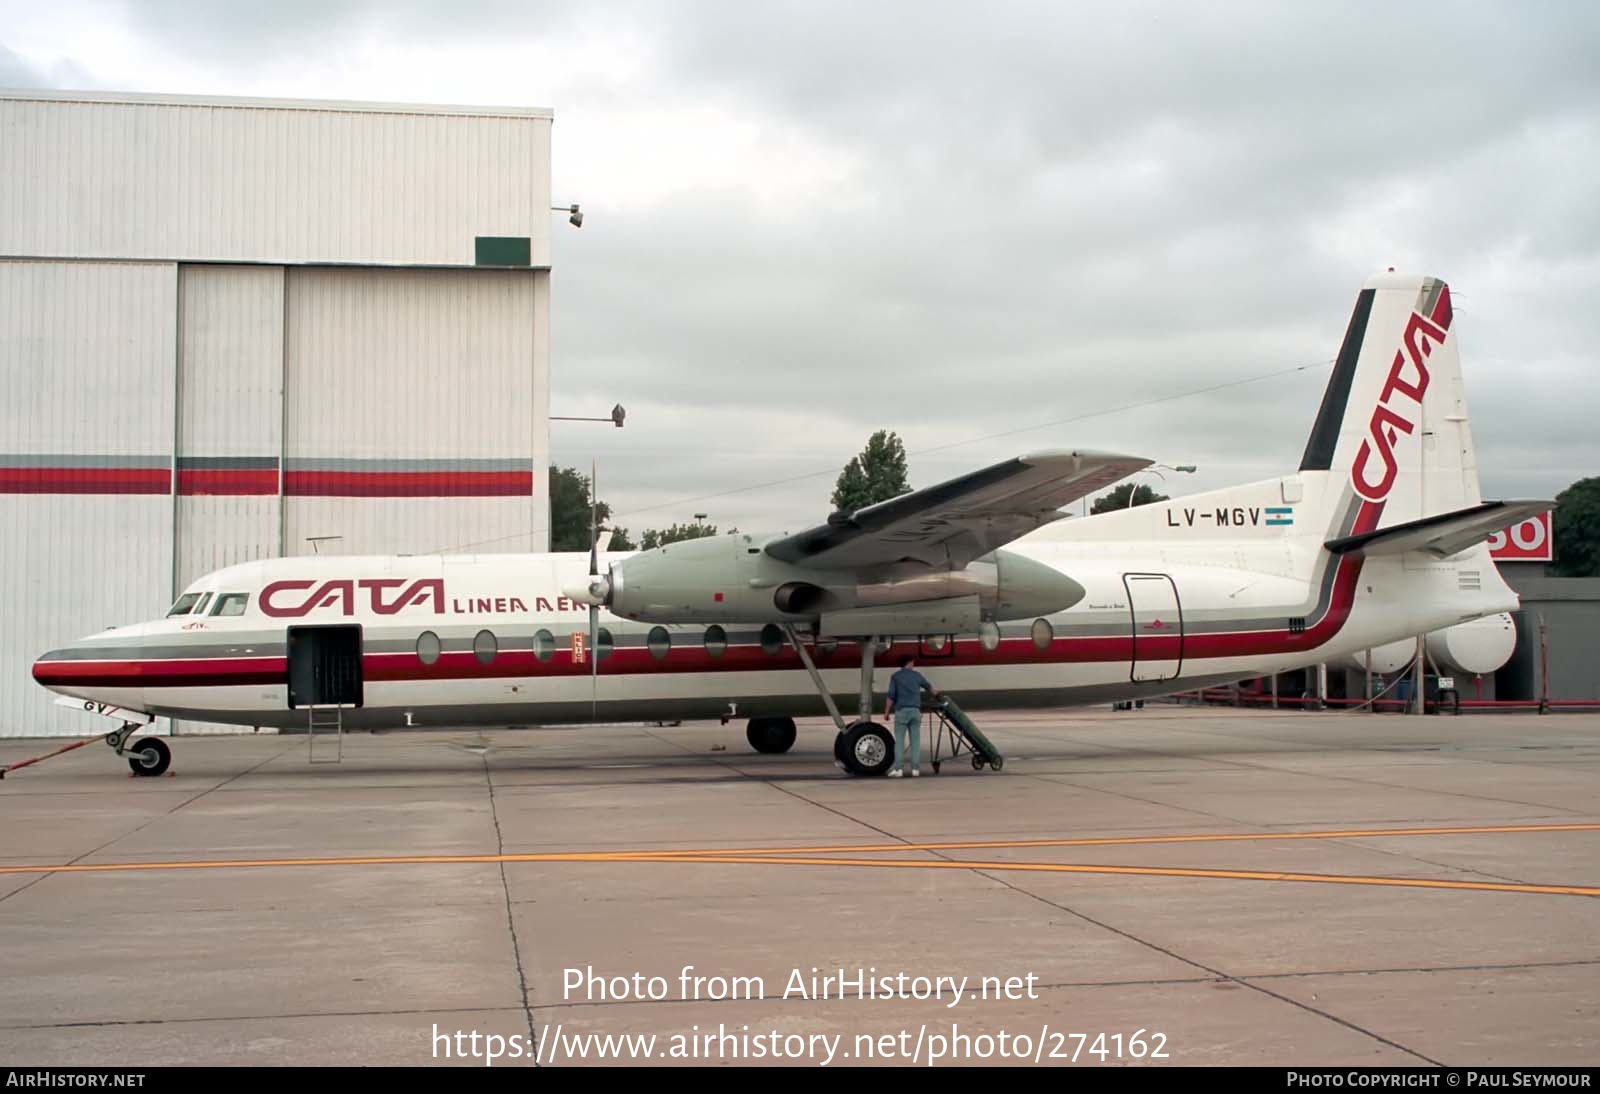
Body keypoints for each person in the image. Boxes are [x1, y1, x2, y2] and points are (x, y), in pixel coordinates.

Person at [884, 653, 939, 778]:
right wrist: (936, 694)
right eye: (913, 663)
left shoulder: (896, 677)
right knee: (915, 741)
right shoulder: (917, 675)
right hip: (915, 711)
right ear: (909, 663)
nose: (913, 665)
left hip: (902, 711)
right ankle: (915, 769)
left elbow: (891, 696)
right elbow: (929, 687)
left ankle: (898, 769)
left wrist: (887, 712)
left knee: (899, 742)